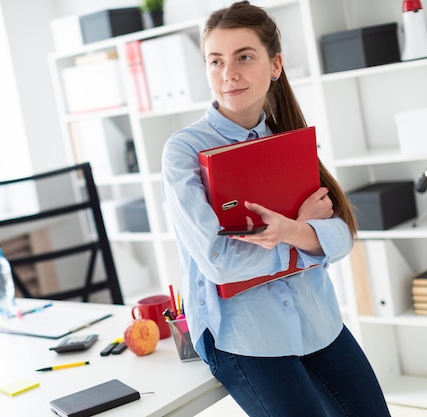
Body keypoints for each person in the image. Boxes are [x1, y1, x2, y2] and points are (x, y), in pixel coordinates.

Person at [161, 2, 391, 416]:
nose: (228, 73)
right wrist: (303, 237)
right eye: (216, 61)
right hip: (243, 337)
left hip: (318, 320)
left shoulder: (290, 139)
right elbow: (220, 262)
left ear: (275, 65)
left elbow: (340, 238)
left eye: (244, 57)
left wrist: (291, 232)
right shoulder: (184, 150)